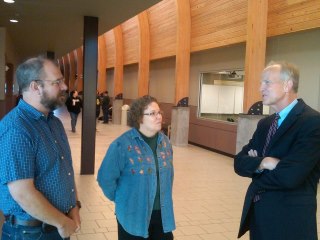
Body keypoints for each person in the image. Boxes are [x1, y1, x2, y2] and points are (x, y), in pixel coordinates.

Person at [234, 61, 320, 240]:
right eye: (260, 83)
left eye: (267, 82)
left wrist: (255, 167)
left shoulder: (311, 122)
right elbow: (239, 162)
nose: (260, 88)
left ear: (287, 85)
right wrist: (265, 162)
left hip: (289, 222)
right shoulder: (265, 124)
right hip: (259, 217)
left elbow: (291, 176)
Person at [0, 57, 81, 240]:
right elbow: (22, 193)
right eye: (57, 82)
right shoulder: (16, 129)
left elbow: (64, 170)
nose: (65, 87)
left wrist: (74, 205)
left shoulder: (55, 123)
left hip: (57, 225)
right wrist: (62, 222)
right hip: (30, 233)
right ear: (36, 86)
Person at [97, 95, 175, 239]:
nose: (158, 117)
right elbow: (105, 179)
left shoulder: (165, 142)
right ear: (139, 118)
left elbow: (170, 176)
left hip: (162, 216)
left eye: (159, 113)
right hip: (133, 216)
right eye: (152, 113)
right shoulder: (122, 145)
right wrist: (122, 199)